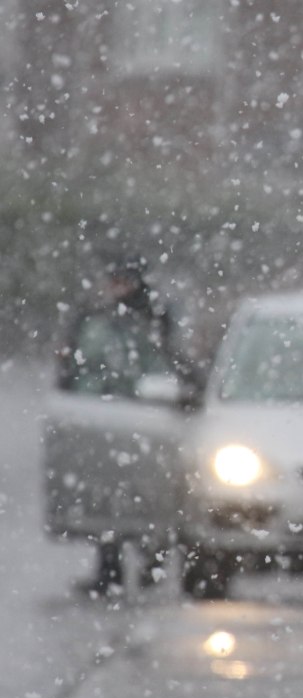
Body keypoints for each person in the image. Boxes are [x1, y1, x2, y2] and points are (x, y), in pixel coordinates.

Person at [56, 253, 192, 595]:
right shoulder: (96, 321)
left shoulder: (151, 320)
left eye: (122, 281)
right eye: (112, 281)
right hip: (104, 419)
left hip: (149, 418)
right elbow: (74, 368)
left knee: (152, 495)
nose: (115, 288)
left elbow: (169, 361)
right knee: (107, 500)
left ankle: (150, 562)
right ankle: (109, 569)